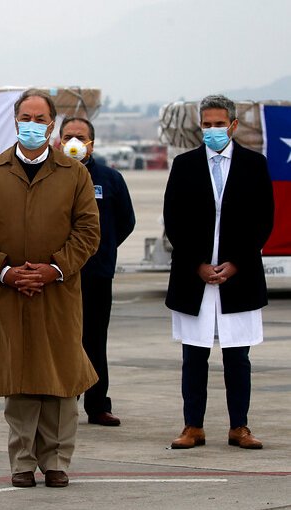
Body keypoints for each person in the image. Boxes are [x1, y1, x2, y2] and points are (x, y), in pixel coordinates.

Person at [0, 89, 100, 489]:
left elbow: (88, 232)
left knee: (61, 379)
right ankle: (22, 461)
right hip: (9, 294)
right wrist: (5, 272)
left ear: (52, 124)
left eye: (40, 119)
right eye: (26, 117)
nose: (33, 125)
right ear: (14, 119)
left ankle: (57, 460)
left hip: (58, 294)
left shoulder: (75, 174)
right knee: (19, 379)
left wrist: (54, 269)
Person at [163, 94, 274, 450]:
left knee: (237, 356)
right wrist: (197, 263)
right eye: (206, 124)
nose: (212, 130)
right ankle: (192, 426)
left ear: (233, 125)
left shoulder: (254, 165)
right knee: (193, 356)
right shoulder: (184, 165)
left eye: (218, 124)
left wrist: (236, 262)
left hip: (238, 276)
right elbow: (174, 219)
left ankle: (238, 427)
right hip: (194, 276)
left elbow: (263, 220)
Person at [60, 117, 136, 427]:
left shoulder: (110, 178)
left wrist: (102, 250)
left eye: (80, 136)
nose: (74, 142)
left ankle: (97, 404)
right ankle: (64, 402)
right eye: (68, 136)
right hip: (59, 273)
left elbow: (126, 221)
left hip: (97, 274)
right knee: (63, 339)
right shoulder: (52, 175)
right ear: (58, 140)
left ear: (92, 142)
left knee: (94, 340)